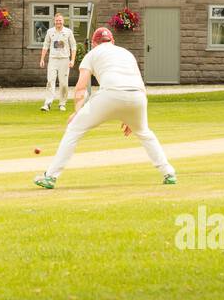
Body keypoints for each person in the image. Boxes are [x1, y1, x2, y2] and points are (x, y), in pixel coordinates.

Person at [34, 27, 175, 189]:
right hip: (137, 97)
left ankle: (50, 177)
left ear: (94, 43)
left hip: (110, 94)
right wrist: (131, 116)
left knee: (74, 129)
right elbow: (140, 85)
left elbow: (80, 88)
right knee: (145, 133)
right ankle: (168, 173)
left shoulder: (92, 54)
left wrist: (78, 112)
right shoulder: (126, 53)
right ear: (113, 41)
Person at [39, 13, 78, 112]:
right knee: (50, 81)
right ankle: (47, 104)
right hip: (53, 59)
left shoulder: (68, 32)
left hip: (65, 59)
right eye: (57, 20)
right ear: (54, 21)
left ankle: (62, 104)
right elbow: (45, 45)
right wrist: (42, 59)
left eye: (60, 20)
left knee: (64, 83)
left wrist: (72, 60)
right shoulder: (50, 31)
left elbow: (73, 46)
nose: (58, 22)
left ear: (63, 21)